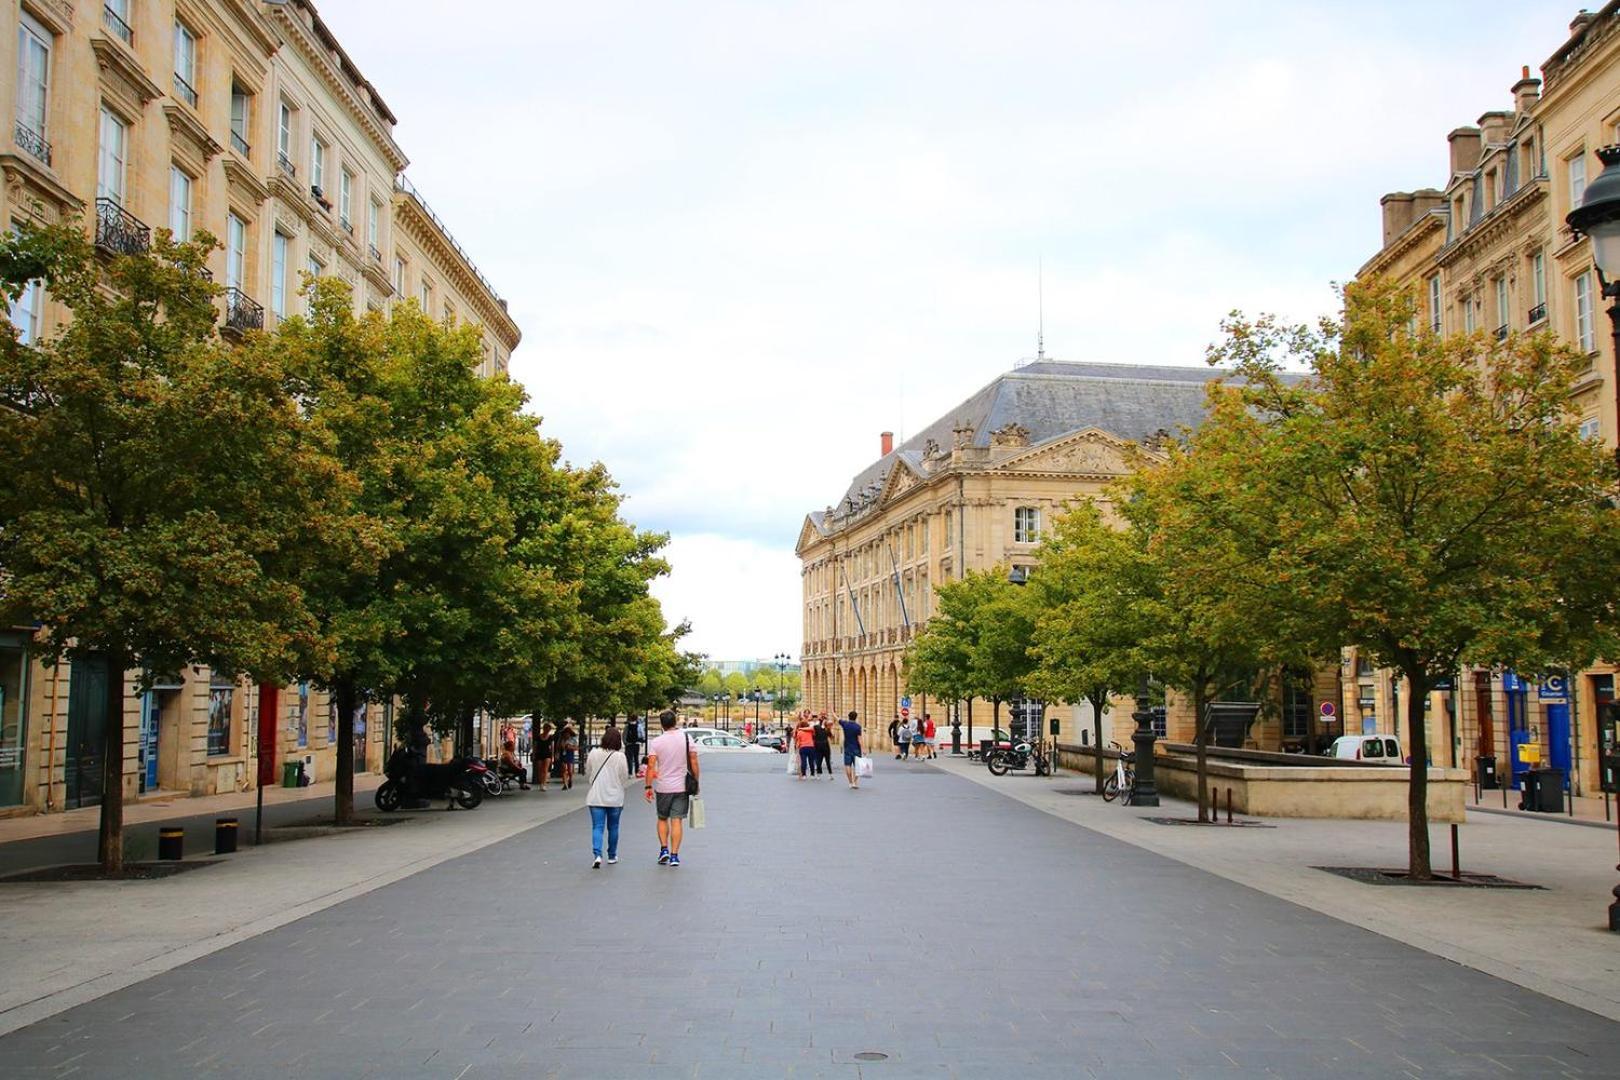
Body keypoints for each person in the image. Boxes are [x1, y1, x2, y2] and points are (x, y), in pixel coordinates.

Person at [644, 710, 698, 867]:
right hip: (682, 786)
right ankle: (675, 855)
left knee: (662, 818)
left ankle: (664, 849)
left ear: (662, 724)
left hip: (663, 786)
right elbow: (694, 761)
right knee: (677, 821)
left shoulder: (657, 742)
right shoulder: (687, 738)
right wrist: (696, 781)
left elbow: (651, 765)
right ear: (675, 722)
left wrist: (648, 786)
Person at [584, 728, 630, 868]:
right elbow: (624, 776)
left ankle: (597, 854)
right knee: (613, 827)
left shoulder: (593, 753)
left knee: (597, 827)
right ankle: (612, 855)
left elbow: (588, 772)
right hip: (615, 797)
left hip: (597, 795)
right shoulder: (620, 756)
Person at [839, 710, 864, 790]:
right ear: (856, 717)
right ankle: (855, 782)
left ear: (848, 716)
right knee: (857, 766)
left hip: (847, 748)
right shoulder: (858, 727)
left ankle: (850, 782)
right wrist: (863, 749)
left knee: (847, 765)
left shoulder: (845, 724)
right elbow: (859, 739)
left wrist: (832, 711)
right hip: (856, 749)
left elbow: (837, 718)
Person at [532, 721, 554, 790]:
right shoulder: (538, 737)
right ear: (544, 728)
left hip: (547, 754)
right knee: (540, 770)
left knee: (545, 769)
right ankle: (541, 783)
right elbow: (535, 746)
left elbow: (552, 747)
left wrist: (552, 756)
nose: (547, 730)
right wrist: (534, 754)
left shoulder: (550, 737)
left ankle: (544, 784)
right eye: (546, 728)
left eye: (548, 729)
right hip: (539, 754)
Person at [558, 722, 578, 790]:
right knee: (563, 769)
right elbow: (558, 747)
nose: (566, 735)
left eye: (568, 734)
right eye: (565, 734)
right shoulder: (561, 739)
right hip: (563, 754)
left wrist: (570, 747)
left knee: (569, 770)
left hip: (570, 754)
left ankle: (570, 780)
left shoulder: (573, 739)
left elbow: (576, 748)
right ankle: (565, 784)